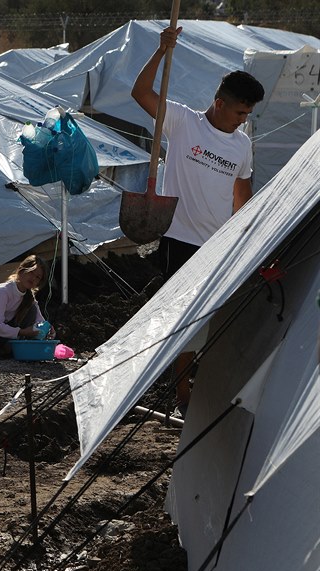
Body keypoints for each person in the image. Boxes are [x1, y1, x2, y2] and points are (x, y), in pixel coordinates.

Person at [131, 25, 265, 416]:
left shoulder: (242, 146)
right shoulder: (183, 122)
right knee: (185, 322)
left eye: (248, 114)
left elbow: (242, 196)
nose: (243, 119)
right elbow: (140, 93)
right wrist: (160, 52)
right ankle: (182, 397)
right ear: (220, 103)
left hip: (219, 246)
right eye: (240, 111)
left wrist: (244, 240)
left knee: (216, 321)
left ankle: (209, 391)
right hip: (179, 238)